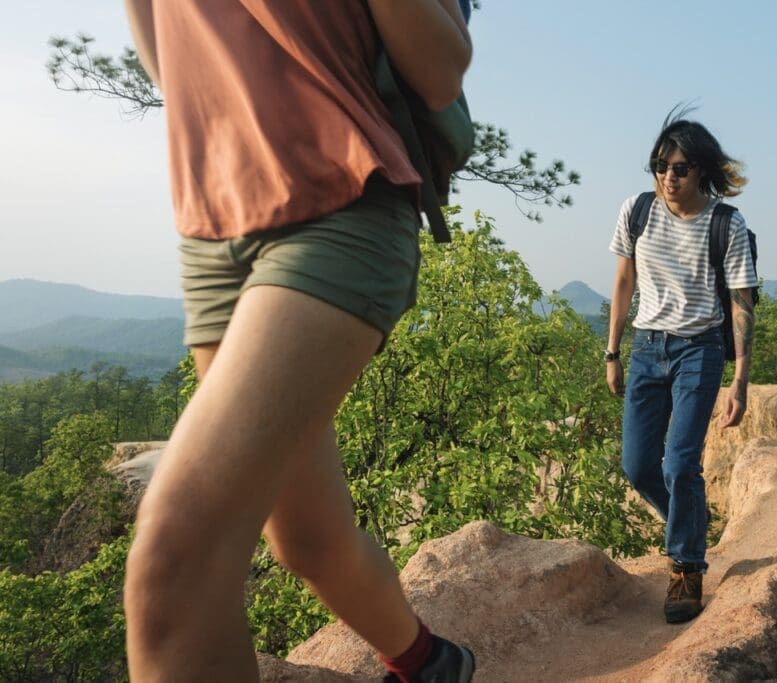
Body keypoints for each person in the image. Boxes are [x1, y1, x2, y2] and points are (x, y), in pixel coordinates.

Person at [121, 1, 474, 681]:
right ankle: (433, 664)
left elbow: (440, 70)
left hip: (341, 200)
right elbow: (170, 65)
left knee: (175, 554)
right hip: (212, 224)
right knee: (308, 538)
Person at [606, 109, 757, 624]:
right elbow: (623, 282)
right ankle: (691, 523)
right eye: (661, 165)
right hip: (647, 349)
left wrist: (739, 380)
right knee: (638, 465)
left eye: (682, 168)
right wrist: (612, 351)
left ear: (703, 171)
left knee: (678, 464)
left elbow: (741, 303)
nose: (669, 177)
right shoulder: (637, 211)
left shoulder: (726, 223)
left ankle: (687, 567)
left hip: (700, 351)